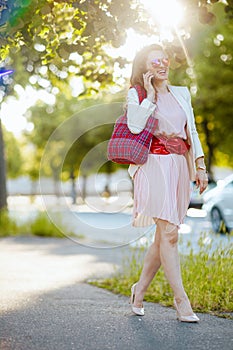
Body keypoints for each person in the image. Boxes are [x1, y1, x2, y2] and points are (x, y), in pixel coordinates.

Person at [127, 44, 208, 322]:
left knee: (163, 237)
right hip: (152, 166)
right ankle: (181, 302)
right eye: (153, 62)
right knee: (170, 233)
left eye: (163, 59)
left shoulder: (182, 93)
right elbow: (136, 127)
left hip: (178, 166)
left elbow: (192, 132)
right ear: (145, 68)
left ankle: (139, 291)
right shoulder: (136, 94)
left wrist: (200, 165)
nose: (161, 65)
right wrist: (149, 96)